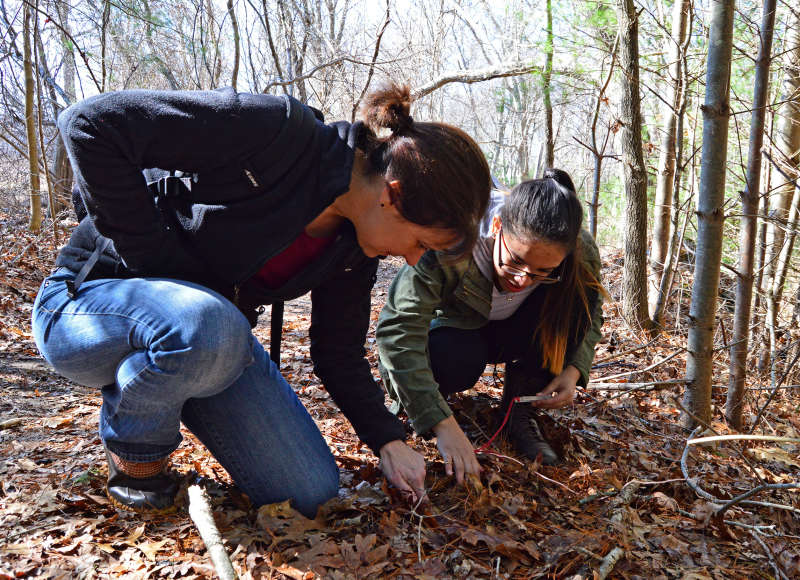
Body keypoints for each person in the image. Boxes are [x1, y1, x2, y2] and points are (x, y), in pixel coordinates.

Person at [32, 83, 491, 516]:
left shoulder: (354, 246)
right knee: (208, 324)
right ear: (393, 195)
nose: (413, 260)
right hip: (88, 305)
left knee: (307, 492)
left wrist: (388, 440)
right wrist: (162, 267)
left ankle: (150, 378)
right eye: (420, 244)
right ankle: (134, 453)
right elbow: (88, 123)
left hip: (201, 342)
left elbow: (338, 353)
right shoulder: (276, 134)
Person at [376, 169, 604, 483]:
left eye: (542, 271)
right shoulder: (453, 237)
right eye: (516, 260)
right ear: (497, 227)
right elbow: (397, 329)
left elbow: (591, 315)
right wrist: (442, 423)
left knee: (573, 305)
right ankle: (422, 402)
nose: (523, 279)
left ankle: (517, 412)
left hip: (518, 331)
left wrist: (573, 369)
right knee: (455, 360)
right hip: (457, 332)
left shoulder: (579, 250)